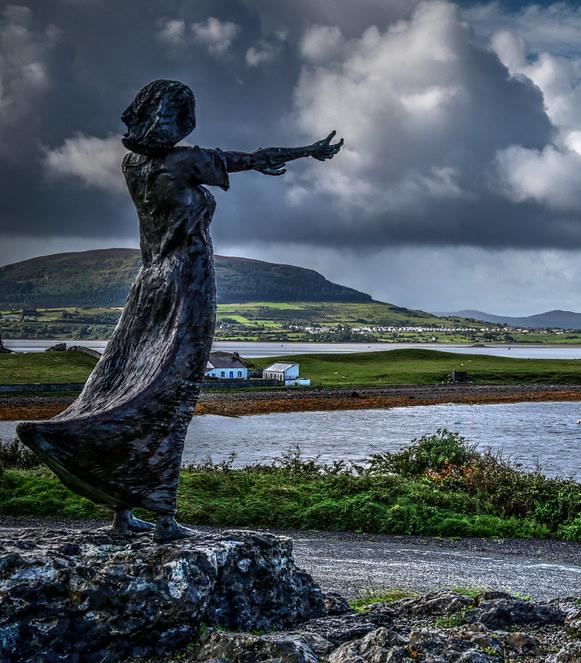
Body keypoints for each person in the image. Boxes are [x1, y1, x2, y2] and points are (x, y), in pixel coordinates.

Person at [17, 80, 342, 541]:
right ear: (175, 119)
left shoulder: (133, 164)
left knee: (127, 378)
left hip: (148, 282)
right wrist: (307, 150)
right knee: (171, 392)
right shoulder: (184, 161)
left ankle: (122, 509)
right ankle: (164, 516)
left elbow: (244, 158)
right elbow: (250, 158)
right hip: (187, 281)